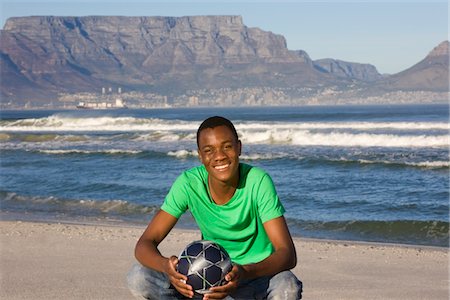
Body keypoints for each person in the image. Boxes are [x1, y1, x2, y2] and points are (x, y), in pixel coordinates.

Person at [127, 116, 302, 300]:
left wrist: (245, 271)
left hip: (253, 278)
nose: (219, 156)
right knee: (139, 276)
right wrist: (166, 267)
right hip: (204, 281)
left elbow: (287, 253)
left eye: (227, 146)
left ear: (239, 147)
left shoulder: (257, 181)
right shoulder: (189, 184)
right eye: (209, 150)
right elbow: (144, 243)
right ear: (200, 156)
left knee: (287, 287)